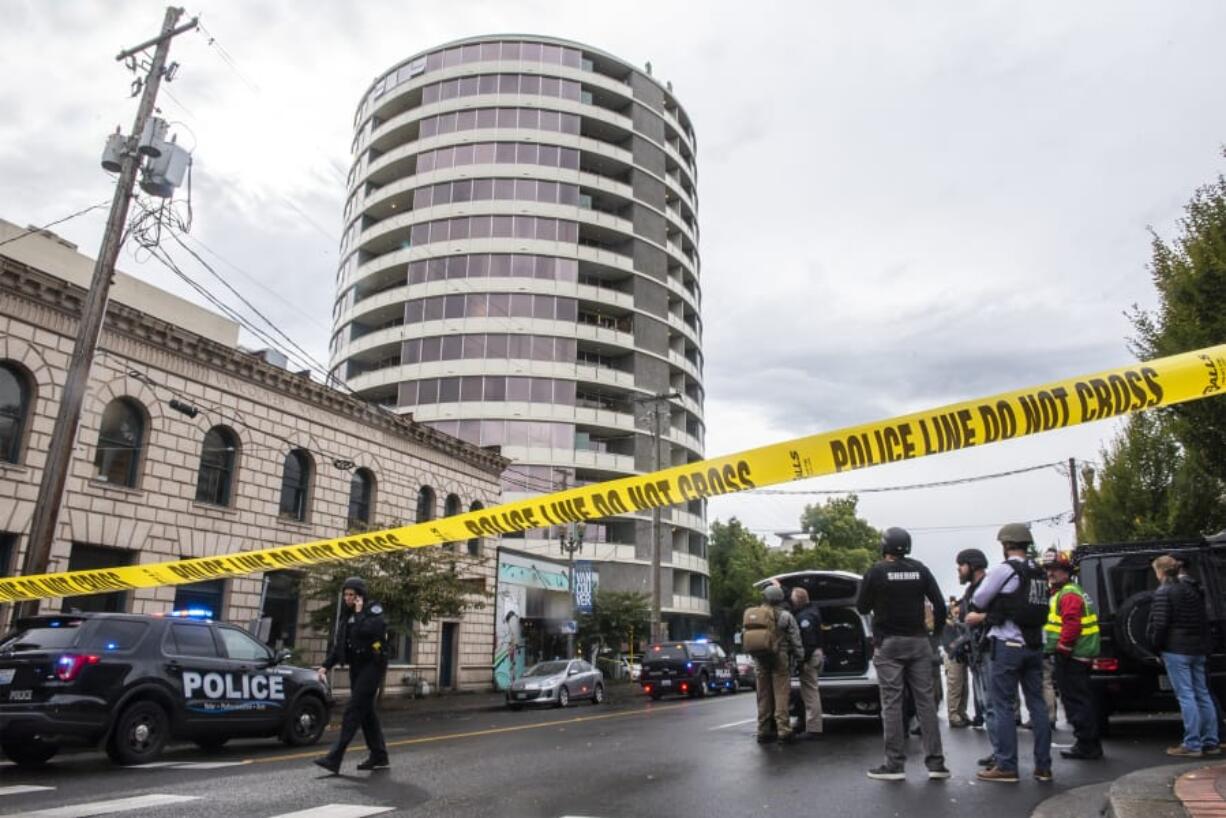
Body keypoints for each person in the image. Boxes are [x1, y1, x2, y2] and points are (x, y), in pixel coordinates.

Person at [856, 526, 949, 781]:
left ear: (884, 546)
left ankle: (894, 764)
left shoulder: (876, 572)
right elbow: (940, 605)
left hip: (889, 644)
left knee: (892, 703)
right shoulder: (920, 569)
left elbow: (862, 605)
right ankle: (936, 764)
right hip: (919, 642)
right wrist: (936, 635)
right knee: (925, 702)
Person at [968, 523, 1053, 784]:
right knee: (1036, 704)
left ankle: (1006, 765)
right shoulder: (1038, 572)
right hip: (1035, 644)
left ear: (1005, 545)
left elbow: (979, 599)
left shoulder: (1006, 570)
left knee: (1003, 704)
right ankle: (1043, 766)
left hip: (1008, 644)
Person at [313, 576, 390, 774]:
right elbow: (340, 644)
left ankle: (334, 758)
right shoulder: (346, 616)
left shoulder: (373, 610)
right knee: (366, 714)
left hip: (372, 665)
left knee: (353, 710)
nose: (347, 598)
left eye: (351, 595)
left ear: (360, 596)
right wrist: (325, 666)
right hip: (356, 666)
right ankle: (379, 756)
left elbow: (369, 631)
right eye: (345, 594)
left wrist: (359, 612)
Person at [1148, 555, 1221, 758]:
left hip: (1176, 649)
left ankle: (1192, 743)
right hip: (1197, 647)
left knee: (1186, 695)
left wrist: (1156, 647)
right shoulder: (1192, 588)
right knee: (1202, 694)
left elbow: (1160, 624)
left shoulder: (1164, 592)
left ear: (1160, 571)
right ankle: (1211, 741)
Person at [1042, 550, 1103, 760]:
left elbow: (1071, 623)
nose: (1051, 573)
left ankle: (1087, 744)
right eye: (1049, 569)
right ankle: (1087, 742)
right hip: (1077, 654)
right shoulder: (1070, 591)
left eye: (1056, 569)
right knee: (1081, 699)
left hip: (1073, 655)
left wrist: (1063, 648)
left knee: (1077, 701)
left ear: (1066, 571)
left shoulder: (1068, 594)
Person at [750, 583, 802, 744]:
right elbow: (795, 639)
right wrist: (800, 657)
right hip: (780, 658)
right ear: (780, 598)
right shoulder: (785, 616)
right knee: (781, 695)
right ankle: (784, 731)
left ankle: (763, 731)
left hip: (760, 659)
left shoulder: (755, 614)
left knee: (763, 696)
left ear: (764, 597)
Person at [791, 586, 824, 739]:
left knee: (810, 693)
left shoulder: (805, 617)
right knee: (809, 692)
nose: (790, 600)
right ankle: (809, 724)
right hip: (815, 655)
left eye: (792, 598)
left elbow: (809, 642)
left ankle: (814, 728)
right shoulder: (812, 611)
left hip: (810, 656)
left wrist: (803, 660)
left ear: (798, 600)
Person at [943, 598, 971, 728]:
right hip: (953, 657)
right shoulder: (947, 625)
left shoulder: (959, 624)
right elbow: (948, 644)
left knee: (964, 687)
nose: (957, 612)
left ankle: (961, 713)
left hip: (961, 658)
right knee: (955, 688)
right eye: (954, 610)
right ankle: (953, 715)